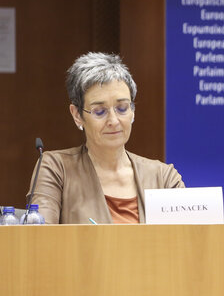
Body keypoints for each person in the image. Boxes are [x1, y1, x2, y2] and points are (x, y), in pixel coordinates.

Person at [27, 52, 184, 224]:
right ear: (77, 115)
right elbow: (39, 240)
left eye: (122, 108)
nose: (113, 121)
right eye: (100, 111)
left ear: (133, 111)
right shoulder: (56, 169)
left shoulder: (163, 177)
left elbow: (190, 242)